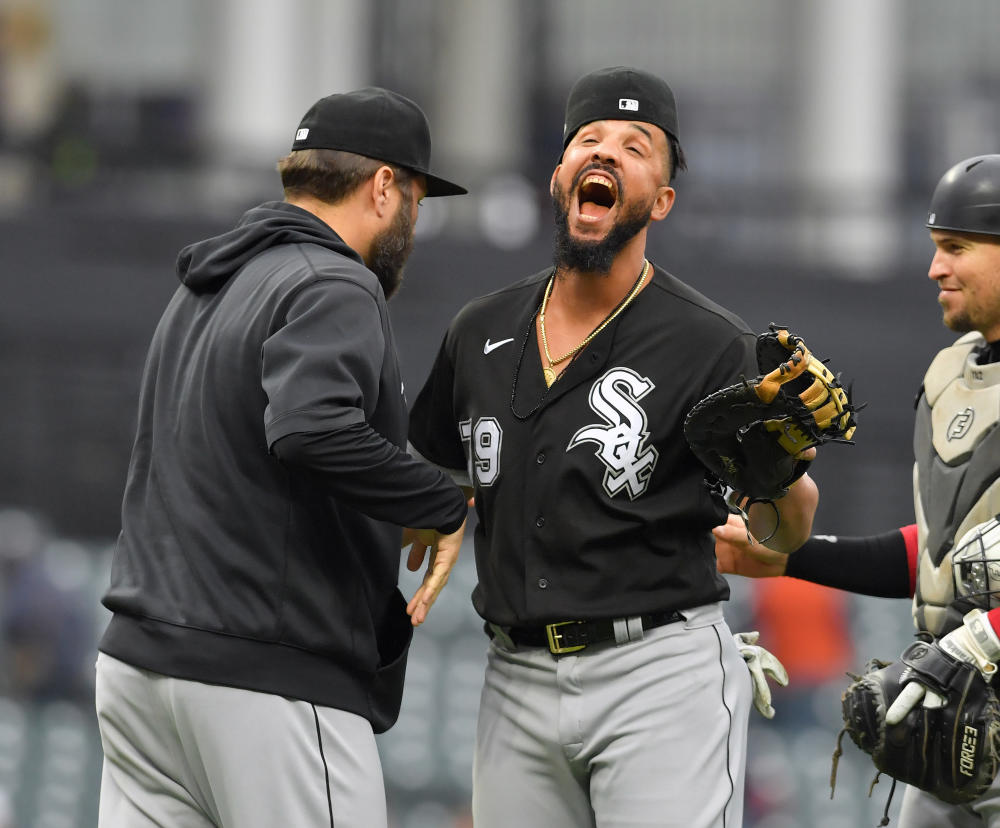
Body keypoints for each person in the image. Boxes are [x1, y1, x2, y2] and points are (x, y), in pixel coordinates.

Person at [716, 154, 1000, 827]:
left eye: (955, 248)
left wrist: (985, 638)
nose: (935, 268)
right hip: (954, 717)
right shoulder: (953, 378)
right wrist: (792, 558)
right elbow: (947, 557)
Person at [406, 66, 819, 827]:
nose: (605, 152)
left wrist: (784, 481)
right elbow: (435, 464)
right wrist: (433, 507)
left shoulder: (711, 343)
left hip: (656, 672)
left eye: (636, 146)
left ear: (660, 198)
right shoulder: (478, 329)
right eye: (588, 140)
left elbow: (784, 527)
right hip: (514, 674)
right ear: (560, 176)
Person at [95, 87, 470, 828]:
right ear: (384, 186)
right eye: (418, 202)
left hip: (142, 670)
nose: (413, 225)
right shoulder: (334, 281)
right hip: (264, 678)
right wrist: (436, 500)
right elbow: (309, 430)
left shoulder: (209, 285)